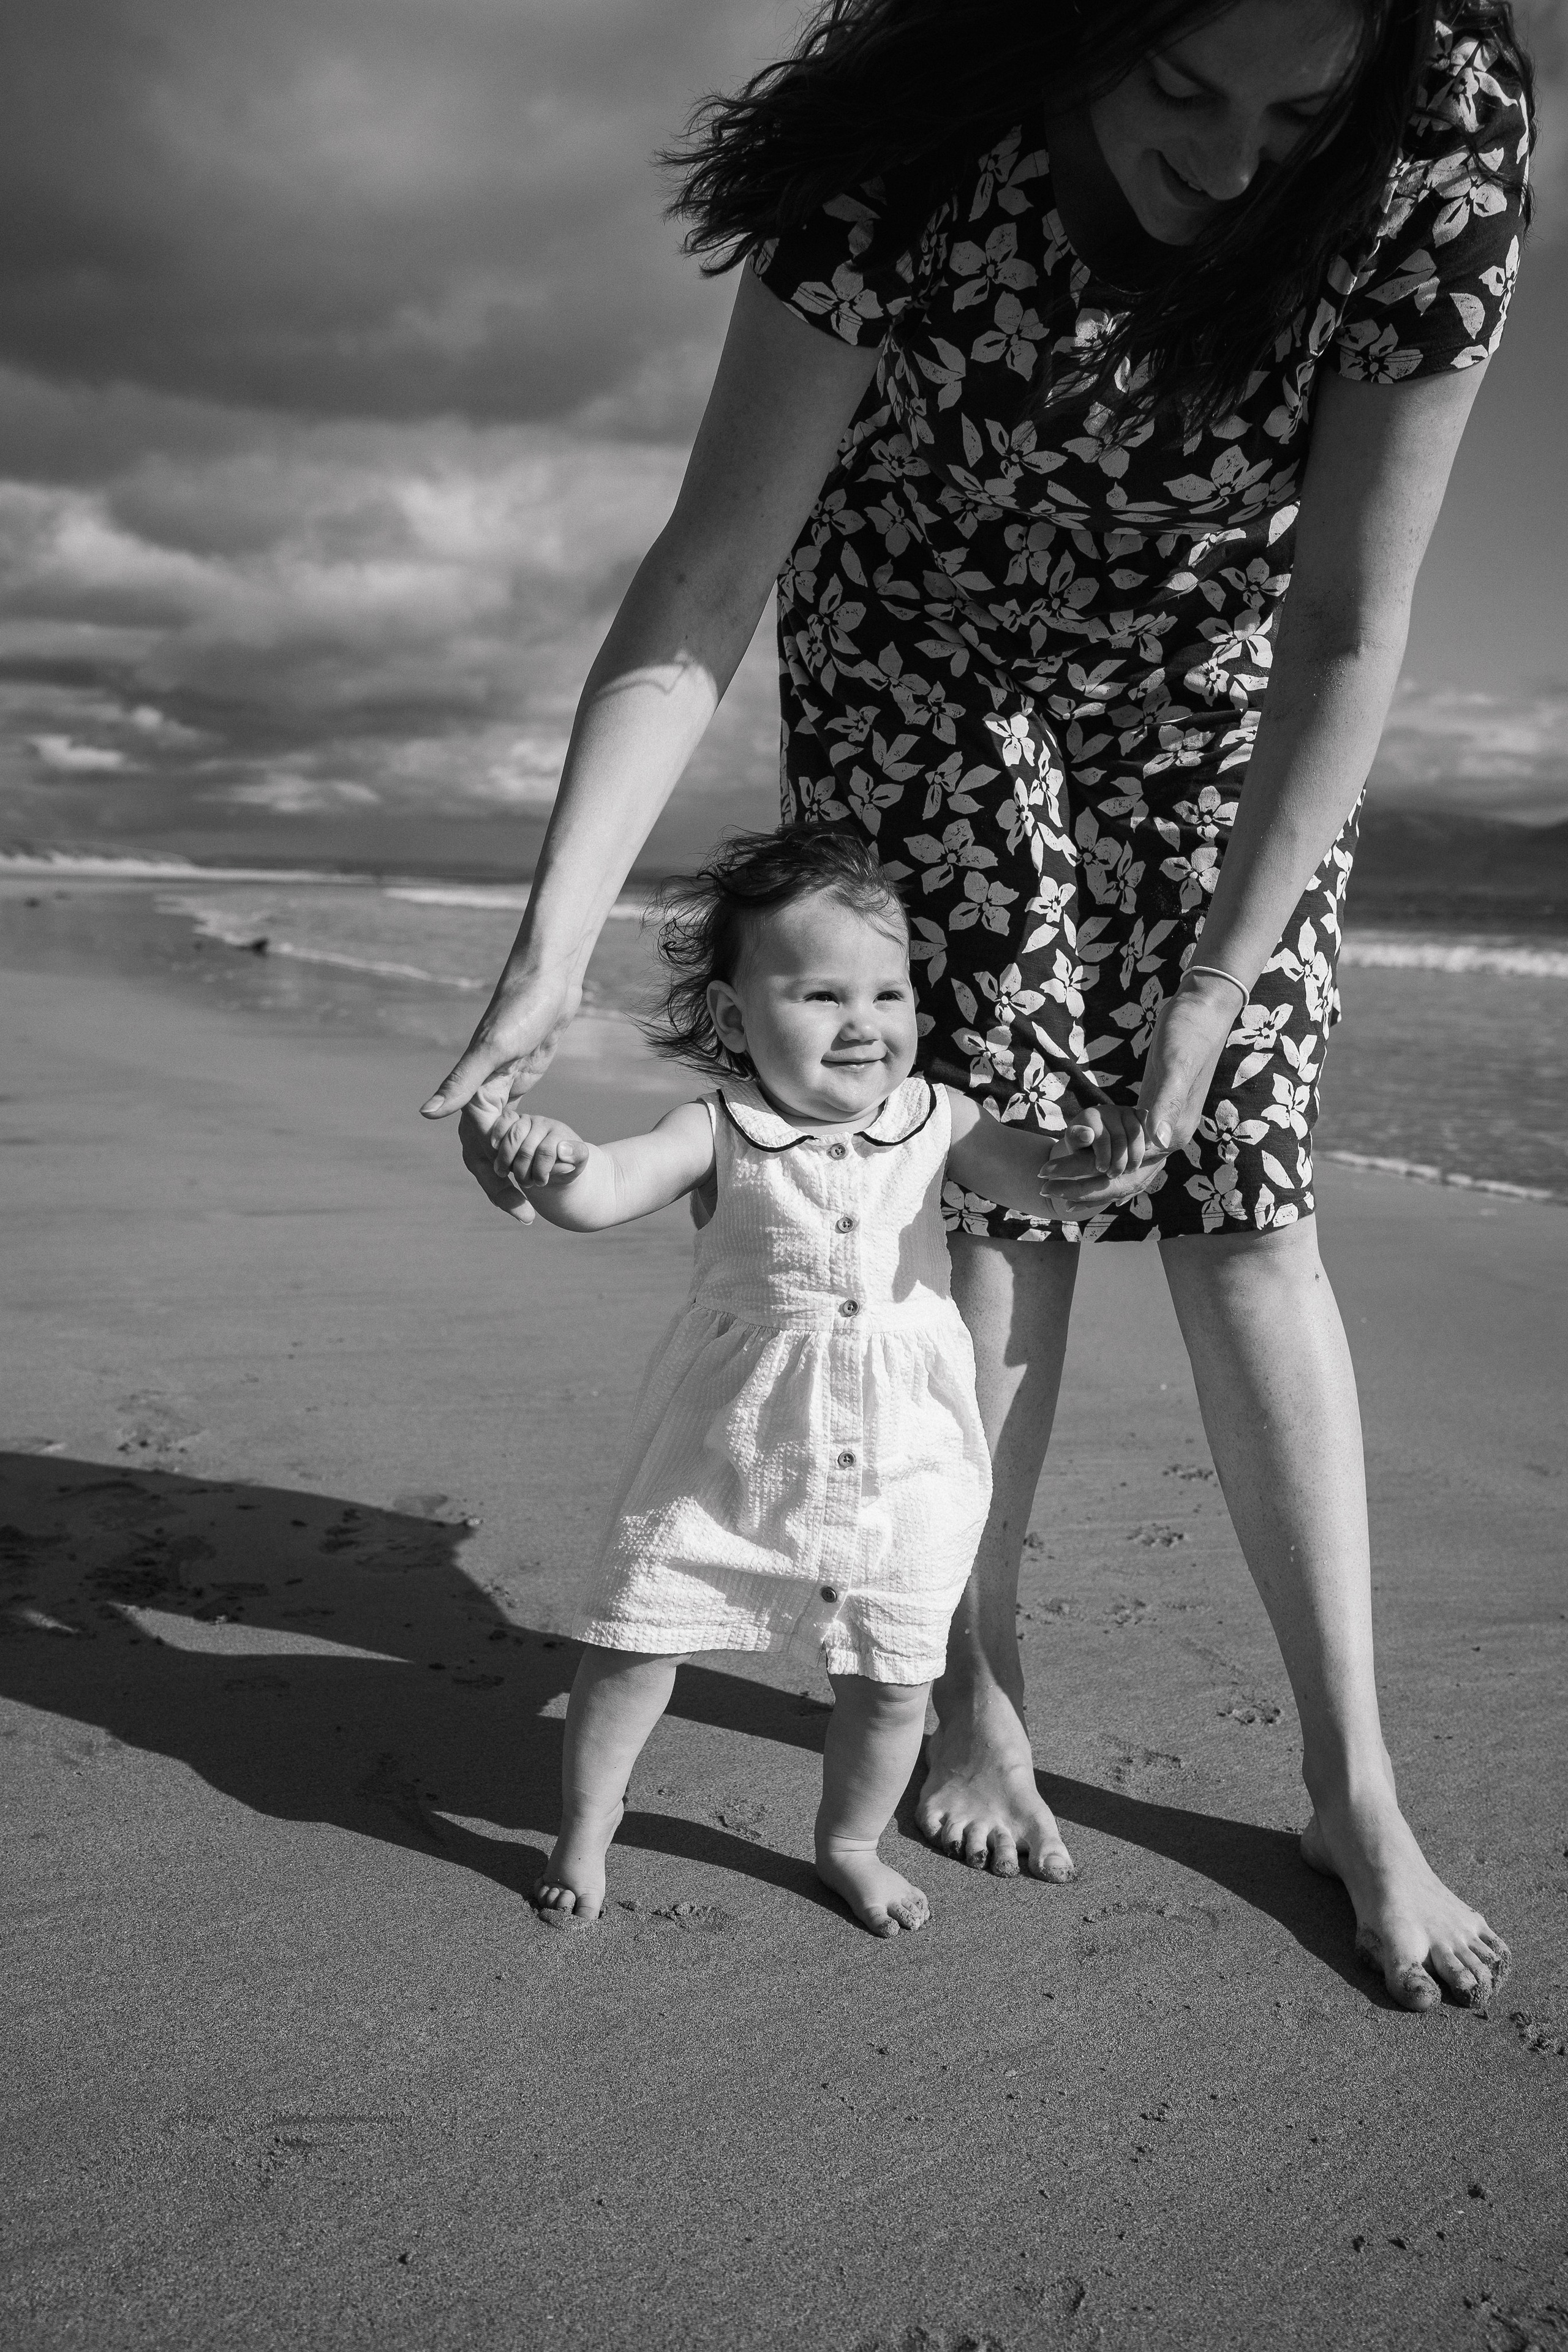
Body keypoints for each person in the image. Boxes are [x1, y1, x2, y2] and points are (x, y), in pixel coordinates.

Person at [423, 0, 1530, 2007]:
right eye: (1179, 91)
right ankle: (975, 1692)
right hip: (924, 664)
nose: (1233, 159)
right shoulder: (912, 127)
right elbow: (708, 567)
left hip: (1222, 688)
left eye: (1297, 112)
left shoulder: (1445, 124)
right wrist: (550, 945)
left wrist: (1210, 990)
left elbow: (1358, 624)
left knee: (1245, 1196)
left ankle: (1354, 1788)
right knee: (991, 1200)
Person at [493, 826, 1137, 1932]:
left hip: (905, 1461)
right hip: (730, 1453)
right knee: (639, 1635)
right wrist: (555, 1162)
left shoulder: (938, 1118)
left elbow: (1038, 1183)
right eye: (822, 994)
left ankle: (848, 1841)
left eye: (890, 993)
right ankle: (585, 1832)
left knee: (895, 1680)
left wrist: (1096, 1160)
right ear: (741, 1020)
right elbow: (604, 1191)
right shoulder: (718, 1128)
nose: (866, 1023)